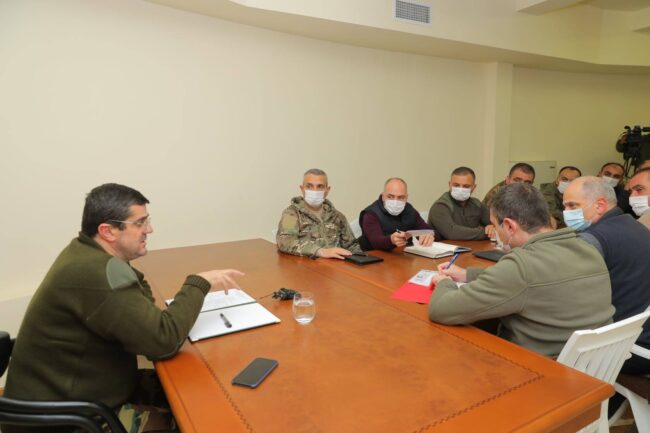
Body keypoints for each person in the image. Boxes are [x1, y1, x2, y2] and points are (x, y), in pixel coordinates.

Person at [2, 183, 244, 433]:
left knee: (194, 388)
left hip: (79, 395)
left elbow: (141, 302)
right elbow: (163, 341)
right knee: (198, 419)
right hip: (67, 421)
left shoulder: (86, 252)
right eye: (139, 223)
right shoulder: (97, 272)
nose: (149, 229)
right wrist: (199, 283)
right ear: (108, 231)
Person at [428, 183, 613, 357]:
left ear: (509, 226)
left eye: (496, 225)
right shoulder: (587, 248)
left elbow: (441, 309)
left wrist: (445, 282)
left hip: (537, 368)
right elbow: (532, 282)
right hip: (591, 364)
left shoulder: (521, 265)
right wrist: (467, 275)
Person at [563, 176, 650, 373]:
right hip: (641, 336)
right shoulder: (635, 226)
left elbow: (566, 294)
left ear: (600, 205)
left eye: (572, 206)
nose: (566, 213)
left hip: (623, 349)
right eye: (565, 206)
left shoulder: (593, 240)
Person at [276, 168, 362, 259]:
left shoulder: (338, 216)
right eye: (309, 186)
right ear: (302, 188)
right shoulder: (291, 214)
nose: (315, 190)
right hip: (305, 266)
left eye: (320, 186)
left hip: (335, 266)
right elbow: (285, 241)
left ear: (327, 190)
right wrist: (319, 251)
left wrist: (360, 259)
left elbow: (352, 245)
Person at [358, 177, 434, 251]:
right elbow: (376, 241)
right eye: (390, 197)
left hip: (403, 254)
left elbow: (430, 231)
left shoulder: (410, 210)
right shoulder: (370, 214)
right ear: (383, 196)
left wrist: (429, 235)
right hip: (374, 255)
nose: (395, 201)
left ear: (406, 197)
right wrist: (391, 240)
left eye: (401, 197)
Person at [428, 167, 495, 240]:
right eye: (456, 185)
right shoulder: (440, 206)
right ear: (449, 184)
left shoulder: (477, 204)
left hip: (472, 246)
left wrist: (492, 227)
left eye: (466, 186)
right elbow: (452, 233)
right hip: (446, 246)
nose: (460, 189)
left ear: (474, 187)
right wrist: (485, 232)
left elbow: (497, 223)